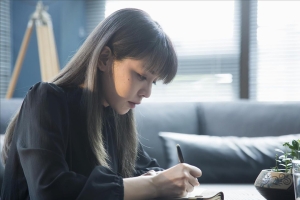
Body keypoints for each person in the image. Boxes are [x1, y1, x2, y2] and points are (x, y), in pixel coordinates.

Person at [1, 8, 202, 200]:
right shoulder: (46, 100)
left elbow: (147, 169)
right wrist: (153, 185)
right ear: (105, 58)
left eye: (153, 82)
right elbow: (50, 191)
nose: (147, 93)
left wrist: (163, 180)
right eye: (141, 76)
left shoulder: (116, 114)